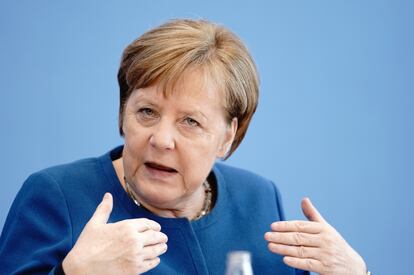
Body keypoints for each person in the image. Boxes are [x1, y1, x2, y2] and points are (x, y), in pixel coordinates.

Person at [0, 19, 370, 275]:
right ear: (122, 113)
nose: (161, 139)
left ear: (227, 137)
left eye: (190, 122)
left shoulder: (259, 199)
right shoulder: (58, 196)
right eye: (146, 112)